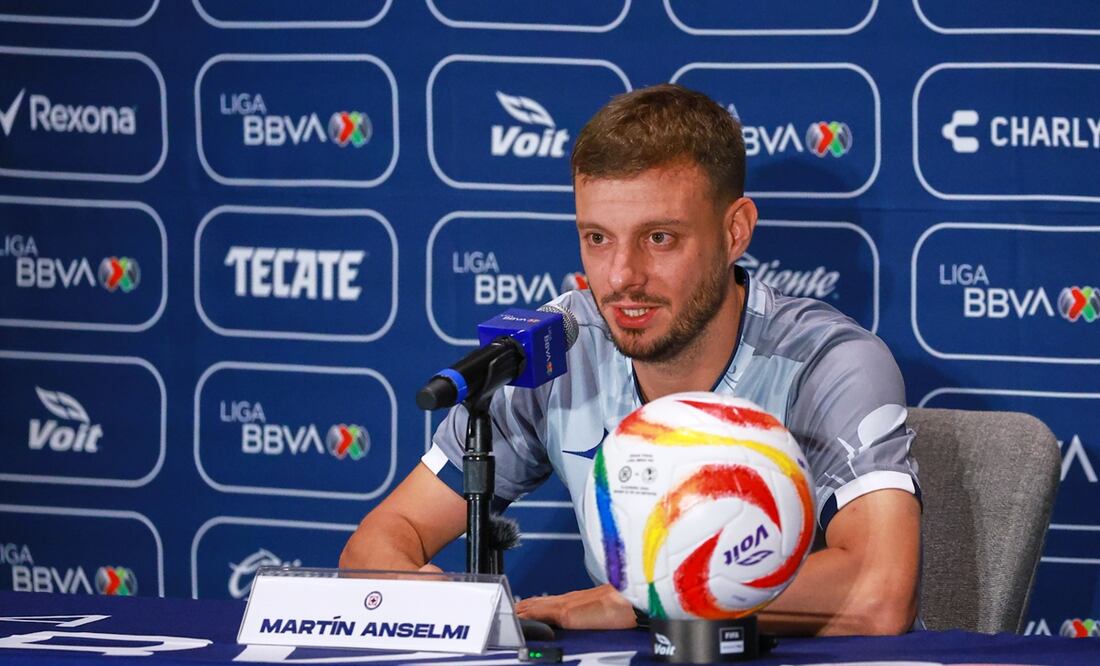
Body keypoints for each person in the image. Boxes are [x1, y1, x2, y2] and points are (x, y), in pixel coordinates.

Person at [340, 84, 922, 636]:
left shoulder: (829, 362)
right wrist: (422, 597)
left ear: (735, 231)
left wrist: (644, 601)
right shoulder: (558, 346)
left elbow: (878, 594)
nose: (621, 278)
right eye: (597, 238)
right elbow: (382, 538)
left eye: (659, 238)